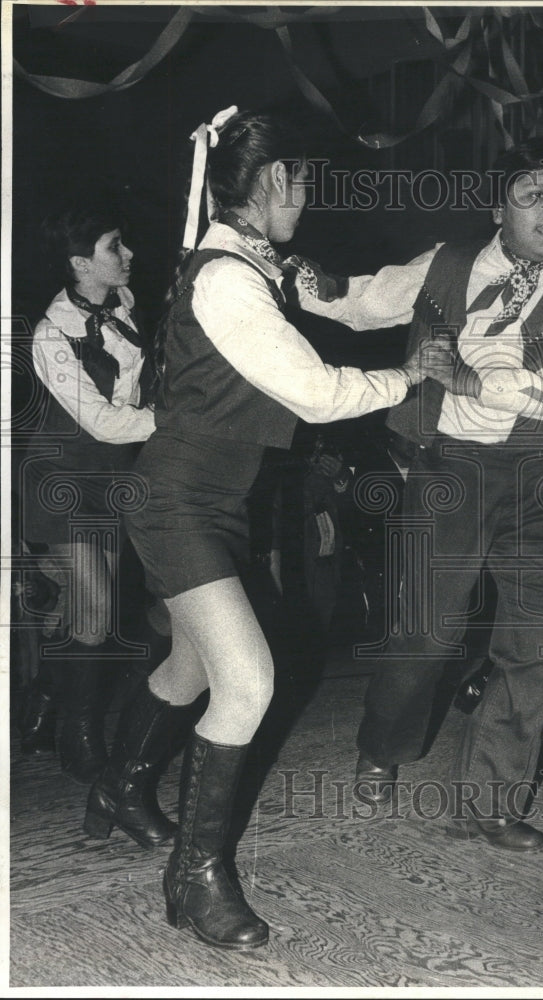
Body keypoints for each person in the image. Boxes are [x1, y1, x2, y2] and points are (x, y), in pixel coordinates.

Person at [83, 106, 437, 952]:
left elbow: (356, 302)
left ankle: (118, 787)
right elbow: (314, 391)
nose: (308, 198)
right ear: (277, 179)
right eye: (305, 181)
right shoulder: (226, 278)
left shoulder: (265, 262)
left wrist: (454, 262)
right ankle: (196, 878)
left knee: (190, 663)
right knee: (246, 680)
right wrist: (407, 378)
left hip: (216, 506)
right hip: (172, 503)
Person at [299, 139, 543, 850]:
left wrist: (473, 380)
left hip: (540, 473)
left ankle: (492, 802)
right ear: (496, 206)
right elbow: (360, 302)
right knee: (424, 632)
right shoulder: (447, 263)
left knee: (542, 639)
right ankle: (381, 748)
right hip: (449, 473)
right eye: (534, 195)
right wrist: (297, 280)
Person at [19, 205, 157, 781]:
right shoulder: (51, 335)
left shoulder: (123, 305)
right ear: (81, 263)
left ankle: (44, 707)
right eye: (114, 247)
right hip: (61, 480)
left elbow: (129, 390)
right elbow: (103, 422)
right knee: (96, 613)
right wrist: (175, 417)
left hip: (112, 478)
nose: (129, 256)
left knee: (87, 611)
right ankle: (80, 736)